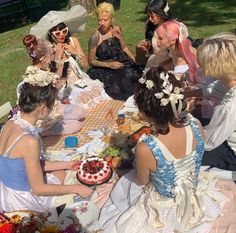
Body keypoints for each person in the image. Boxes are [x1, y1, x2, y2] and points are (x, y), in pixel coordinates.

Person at [99, 66, 235, 233]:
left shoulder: (147, 147)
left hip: (165, 204)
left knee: (126, 183)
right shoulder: (196, 125)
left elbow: (143, 181)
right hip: (194, 192)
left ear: (143, 112)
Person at [0, 69, 93, 213]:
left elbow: (25, 163)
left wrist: (67, 163)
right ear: (42, 109)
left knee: (61, 170)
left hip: (6, 190)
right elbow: (38, 189)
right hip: (21, 199)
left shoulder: (11, 123)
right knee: (67, 179)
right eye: (52, 106)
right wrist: (76, 188)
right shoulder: (29, 141)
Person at [21, 34, 87, 136]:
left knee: (81, 112)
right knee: (76, 125)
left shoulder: (41, 70)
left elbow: (52, 90)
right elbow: (45, 99)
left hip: (53, 106)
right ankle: (44, 131)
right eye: (52, 54)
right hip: (43, 116)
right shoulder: (37, 76)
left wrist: (62, 78)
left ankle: (54, 124)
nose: (54, 55)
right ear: (45, 59)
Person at [196, 33, 236, 171]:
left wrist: (189, 123)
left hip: (231, 153)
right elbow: (212, 89)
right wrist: (184, 94)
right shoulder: (229, 80)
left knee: (180, 157)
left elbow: (209, 141)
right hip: (220, 134)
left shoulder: (230, 106)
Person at [87, 2, 143, 101]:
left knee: (136, 75)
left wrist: (134, 60)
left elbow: (124, 47)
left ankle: (140, 101)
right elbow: (91, 61)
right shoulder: (95, 37)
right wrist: (109, 65)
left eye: (105, 20)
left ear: (112, 18)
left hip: (122, 61)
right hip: (106, 68)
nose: (102, 23)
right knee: (121, 83)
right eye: (99, 20)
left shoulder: (116, 30)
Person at [136, 0, 173, 68]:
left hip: (167, 66)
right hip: (153, 62)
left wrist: (159, 66)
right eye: (148, 16)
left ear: (161, 14)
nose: (150, 19)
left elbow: (176, 56)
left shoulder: (171, 30)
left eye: (152, 16)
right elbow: (155, 50)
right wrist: (148, 47)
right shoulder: (152, 27)